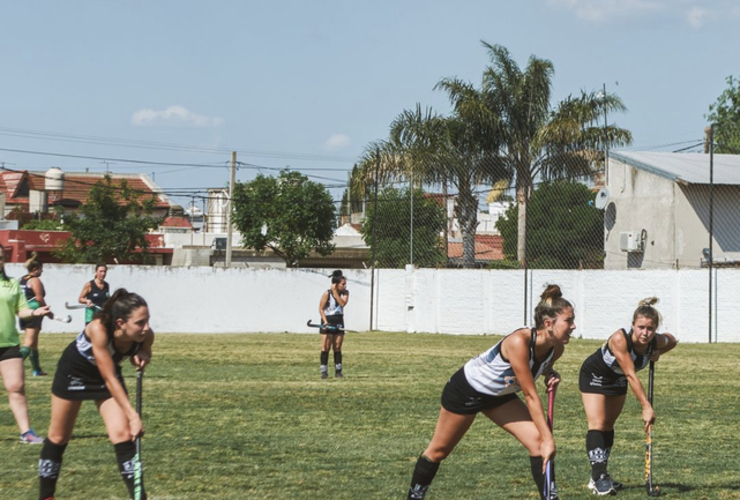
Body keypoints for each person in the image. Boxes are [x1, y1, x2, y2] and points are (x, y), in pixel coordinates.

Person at [406, 284, 576, 500]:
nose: (573, 326)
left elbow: (540, 367)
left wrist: (551, 373)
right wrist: (549, 437)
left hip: (500, 396)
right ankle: (414, 496)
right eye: (568, 321)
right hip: (467, 390)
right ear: (548, 324)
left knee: (538, 444)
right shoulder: (519, 342)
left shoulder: (556, 348)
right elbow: (531, 395)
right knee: (439, 450)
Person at [38, 289, 154, 500]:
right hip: (75, 371)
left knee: (123, 435)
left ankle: (139, 497)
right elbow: (109, 378)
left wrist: (143, 353)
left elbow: (143, 352)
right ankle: (46, 497)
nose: (146, 328)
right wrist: (133, 416)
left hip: (106, 374)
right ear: (120, 323)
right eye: (140, 323)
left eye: (147, 321)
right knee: (58, 436)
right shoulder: (98, 329)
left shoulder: (145, 335)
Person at [579, 297, 677, 496]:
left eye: (650, 328)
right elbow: (631, 375)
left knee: (608, 426)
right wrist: (646, 406)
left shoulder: (653, 341)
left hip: (618, 379)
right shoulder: (619, 339)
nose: (645, 333)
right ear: (632, 325)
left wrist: (658, 351)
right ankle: (598, 478)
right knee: (597, 423)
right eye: (640, 327)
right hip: (595, 375)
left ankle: (600, 474)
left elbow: (672, 340)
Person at [0, 246, 51, 444]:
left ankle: (27, 433)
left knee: (17, 387)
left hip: (9, 343)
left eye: (0, 257)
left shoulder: (12, 284)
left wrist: (34, 312)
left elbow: (20, 310)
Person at [19, 252, 53, 376]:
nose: (41, 272)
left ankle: (37, 370)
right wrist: (47, 311)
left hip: (24, 312)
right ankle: (11, 365)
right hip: (34, 312)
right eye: (40, 269)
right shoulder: (35, 280)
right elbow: (39, 298)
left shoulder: (22, 279)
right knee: (28, 343)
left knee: (33, 343)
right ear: (35, 269)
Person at [318, 270, 349, 379]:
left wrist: (335, 292)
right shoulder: (327, 293)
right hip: (328, 321)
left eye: (345, 284)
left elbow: (342, 303)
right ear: (336, 284)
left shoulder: (345, 293)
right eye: (343, 284)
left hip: (339, 321)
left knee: (337, 347)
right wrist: (325, 322)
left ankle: (338, 371)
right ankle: (324, 371)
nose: (345, 286)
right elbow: (321, 309)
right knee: (326, 347)